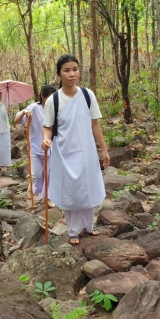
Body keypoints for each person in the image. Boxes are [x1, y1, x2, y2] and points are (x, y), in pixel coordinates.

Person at [41, 54, 110, 245]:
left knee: (88, 188)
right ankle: (73, 230)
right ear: (59, 74)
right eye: (67, 70)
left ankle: (89, 225)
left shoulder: (88, 95)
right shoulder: (53, 100)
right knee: (71, 190)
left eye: (75, 69)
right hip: (64, 152)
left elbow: (95, 125)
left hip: (86, 150)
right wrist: (46, 140)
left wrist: (103, 150)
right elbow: (47, 126)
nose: (72, 74)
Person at [14, 85, 56, 201]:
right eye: (49, 98)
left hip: (50, 147)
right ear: (42, 96)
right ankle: (31, 186)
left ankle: (48, 197)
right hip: (35, 146)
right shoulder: (33, 108)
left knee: (49, 175)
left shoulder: (56, 109)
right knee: (36, 174)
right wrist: (24, 113)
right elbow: (16, 121)